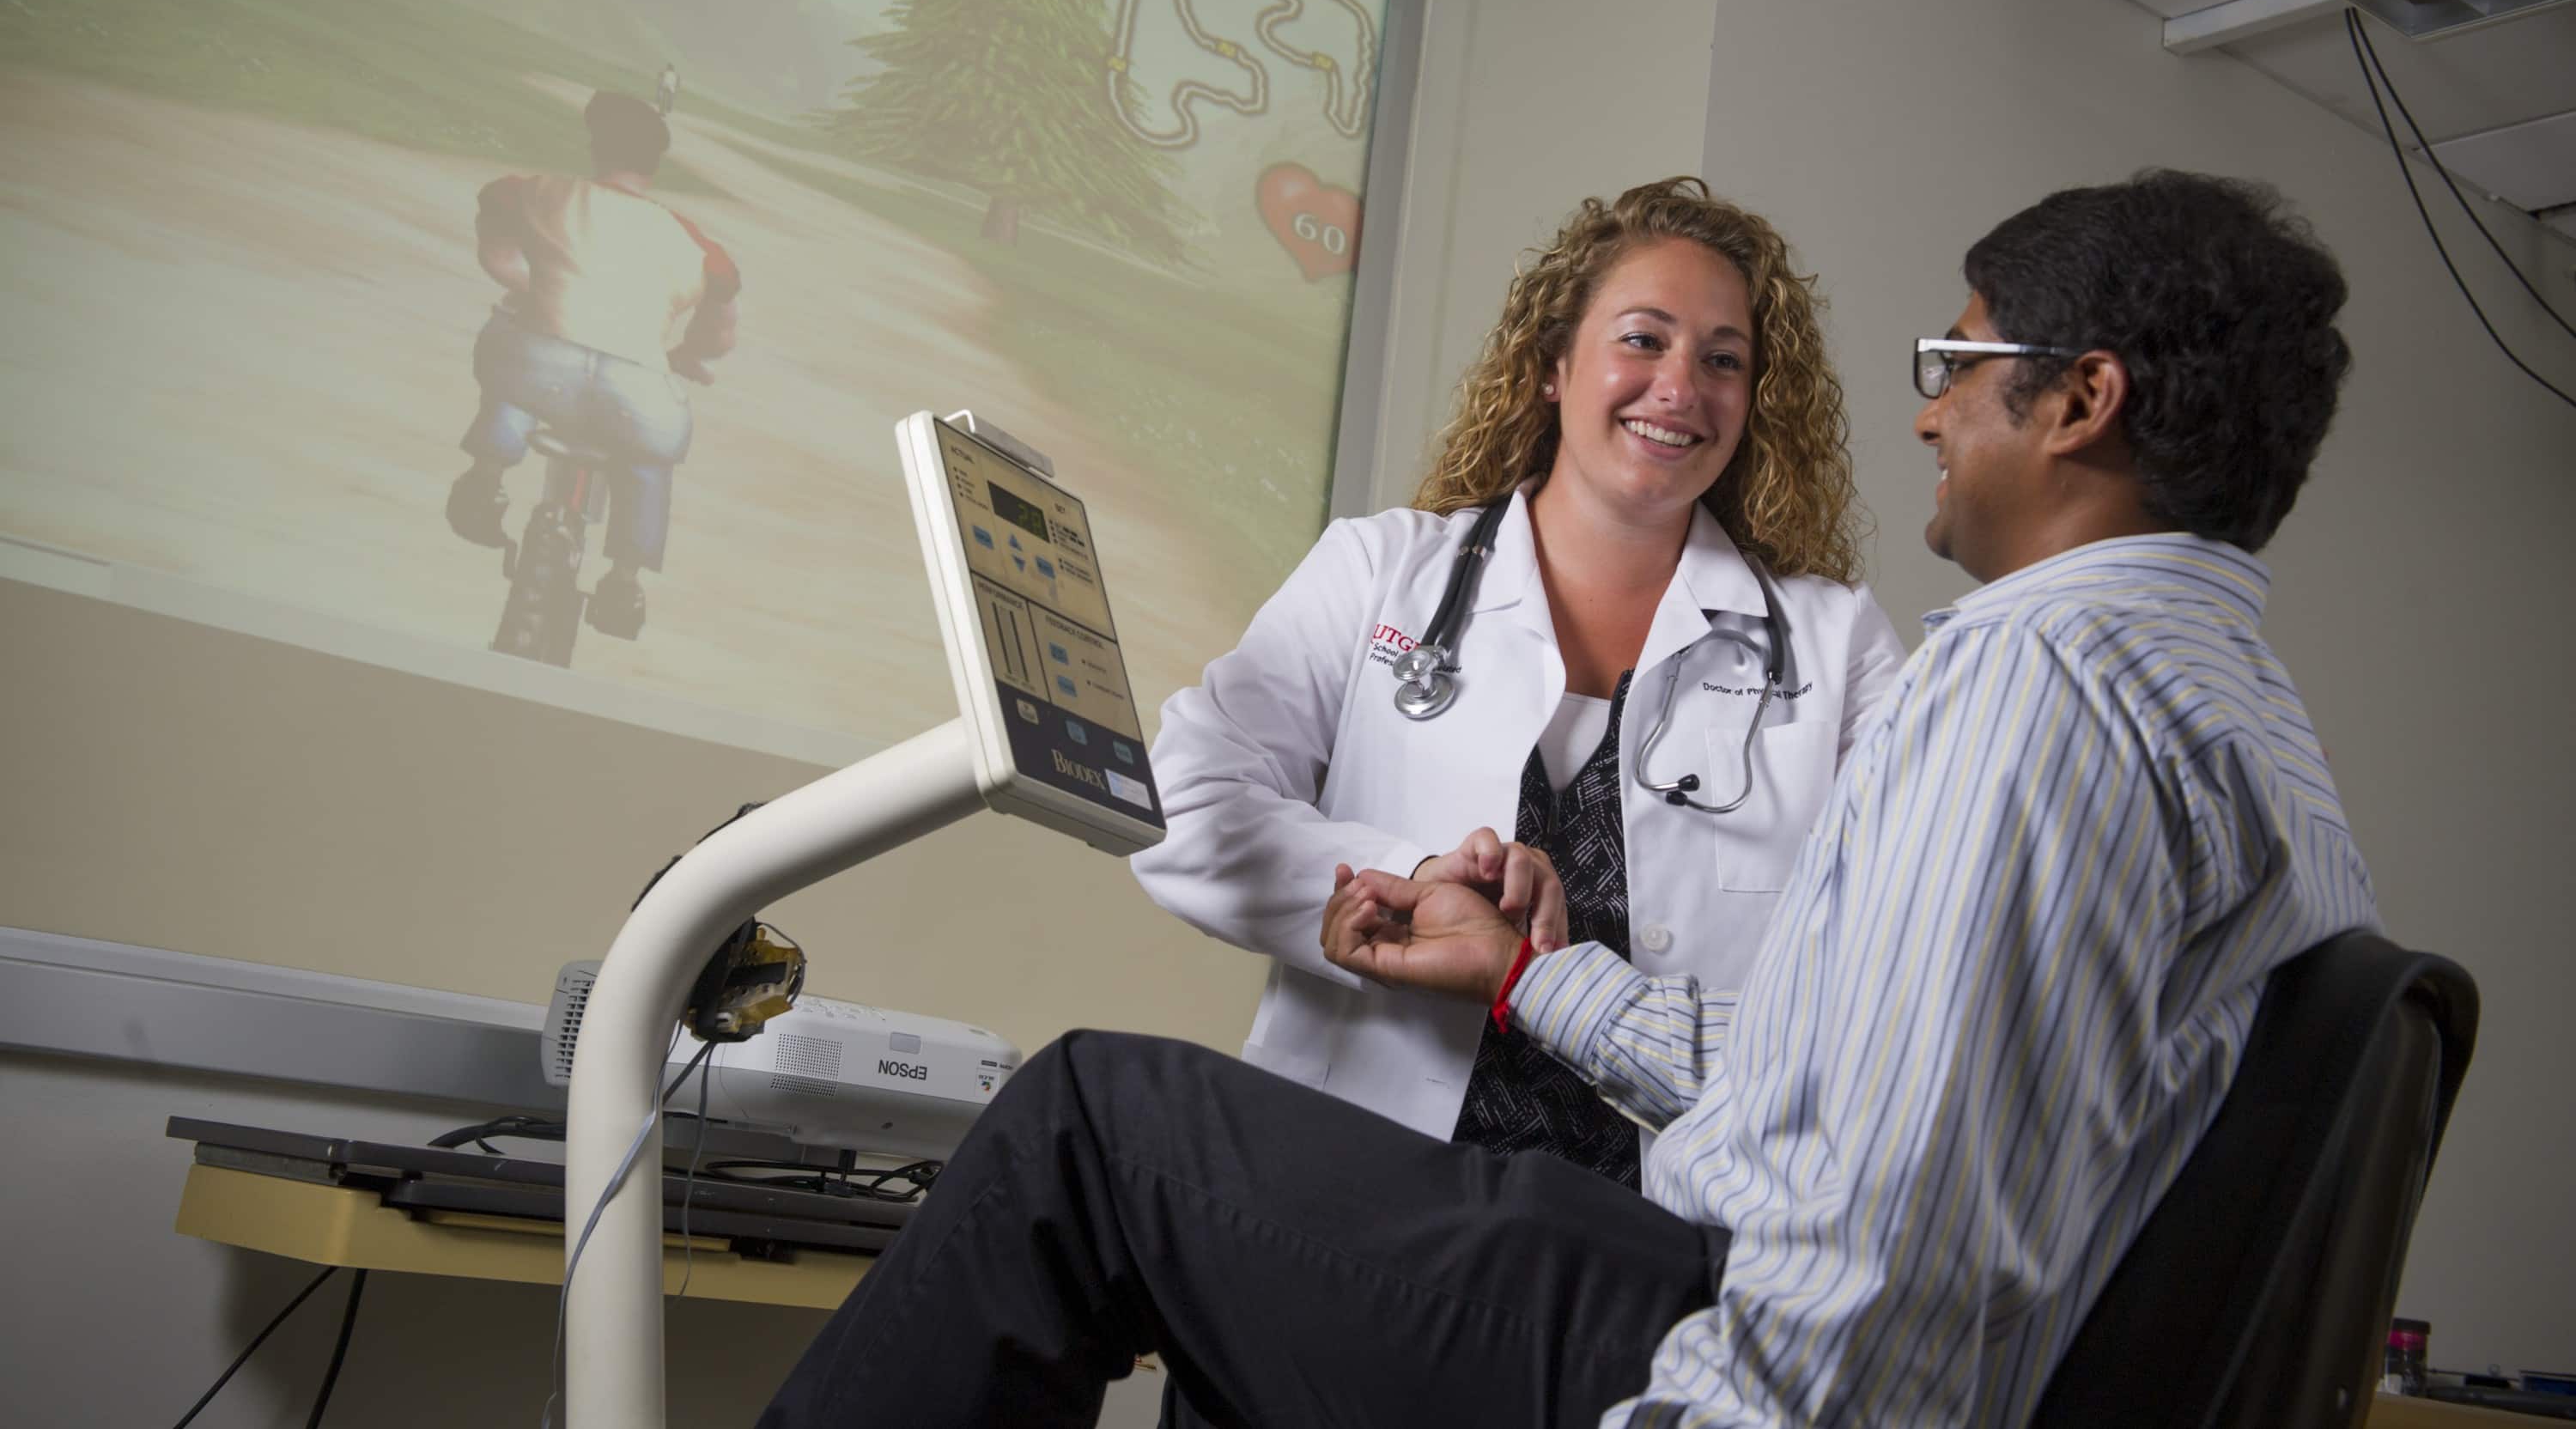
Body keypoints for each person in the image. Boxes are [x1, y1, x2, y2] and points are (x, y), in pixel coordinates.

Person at [756, 169, 2375, 1429]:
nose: (1926, 409)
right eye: (1643, 340)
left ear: (2081, 400)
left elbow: (1900, 1219)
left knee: (1089, 1126)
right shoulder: (2243, 724)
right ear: (1554, 365)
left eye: (1955, 363)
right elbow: (1873, 1076)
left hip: (1687, 1314)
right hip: (1563, 1236)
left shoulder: (2006, 680)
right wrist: (1512, 961)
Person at [1136, 178, 1905, 1191]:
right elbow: (1181, 806)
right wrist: (1414, 879)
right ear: (1551, 365)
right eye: (1643, 339)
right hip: (1355, 1192)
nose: (1681, 387)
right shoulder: (1380, 571)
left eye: (1723, 359)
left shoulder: (1836, 646)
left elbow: (1905, 949)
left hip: (1658, 1234)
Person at [444, 90, 738, 639]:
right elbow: (718, 335)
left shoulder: (540, 193)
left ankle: (485, 477)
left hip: (541, 368)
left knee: (515, 363)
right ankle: (625, 581)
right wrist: (686, 355)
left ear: (595, 147)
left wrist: (535, 290)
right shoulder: (695, 244)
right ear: (655, 164)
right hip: (635, 392)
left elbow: (497, 256)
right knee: (649, 460)